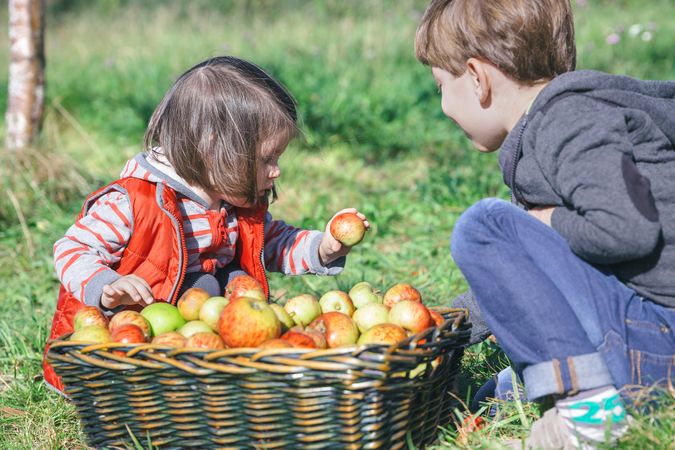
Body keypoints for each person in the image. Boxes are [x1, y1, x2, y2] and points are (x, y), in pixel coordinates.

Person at [415, 0, 675, 448]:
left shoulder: (567, 121)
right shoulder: (562, 122)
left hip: (658, 346)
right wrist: (441, 323)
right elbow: (545, 273)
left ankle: (587, 410)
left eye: (441, 85)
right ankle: (589, 393)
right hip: (649, 333)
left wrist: (547, 220)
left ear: (477, 78)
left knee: (484, 226)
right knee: (495, 396)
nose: (443, 105)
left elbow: (625, 230)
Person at [43, 55, 369, 393]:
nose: (276, 171)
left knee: (235, 282)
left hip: (195, 335)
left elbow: (272, 243)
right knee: (211, 287)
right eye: (266, 159)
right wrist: (106, 286)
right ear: (213, 150)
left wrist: (324, 247)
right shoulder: (132, 202)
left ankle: (224, 377)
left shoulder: (231, 199)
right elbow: (71, 249)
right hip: (128, 343)